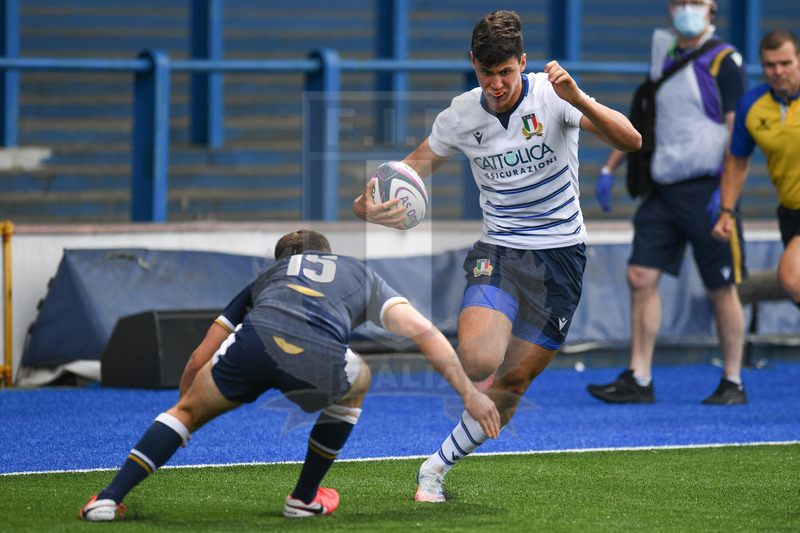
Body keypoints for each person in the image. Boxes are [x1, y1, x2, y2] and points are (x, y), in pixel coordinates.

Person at [353, 10, 641, 502]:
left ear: (522, 63)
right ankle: (452, 440)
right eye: (487, 74)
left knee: (514, 381)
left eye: (506, 72)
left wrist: (579, 100)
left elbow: (632, 139)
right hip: (501, 250)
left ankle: (435, 469)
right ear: (473, 65)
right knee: (480, 356)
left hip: (561, 257)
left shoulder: (554, 95)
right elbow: (410, 169)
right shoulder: (461, 115)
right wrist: (367, 205)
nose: (497, 84)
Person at [79, 229, 500, 521]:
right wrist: (468, 392)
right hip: (317, 359)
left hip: (254, 345)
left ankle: (108, 498)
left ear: (283, 262)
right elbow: (424, 331)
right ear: (328, 253)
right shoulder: (359, 273)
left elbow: (197, 358)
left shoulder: (265, 278)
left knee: (184, 413)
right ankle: (302, 499)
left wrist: (187, 406)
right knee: (361, 377)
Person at [588, 0, 749, 405]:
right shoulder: (664, 52)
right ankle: (640, 377)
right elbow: (643, 119)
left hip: (708, 190)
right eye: (680, 2)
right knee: (640, 277)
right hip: (664, 189)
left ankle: (733, 381)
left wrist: (726, 196)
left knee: (721, 287)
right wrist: (610, 166)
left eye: (695, 3)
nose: (686, 10)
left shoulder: (725, 62)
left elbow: (738, 136)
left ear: (712, 8)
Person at [712, 31, 800, 307]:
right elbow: (738, 162)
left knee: (791, 277)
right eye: (770, 65)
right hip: (790, 211)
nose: (778, 71)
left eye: (786, 63)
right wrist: (726, 211)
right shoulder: (752, 105)